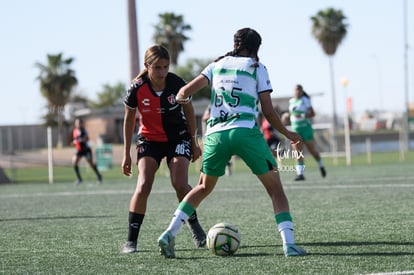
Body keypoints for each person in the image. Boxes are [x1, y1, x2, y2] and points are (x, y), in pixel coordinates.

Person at [157, 28, 306, 258]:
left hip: (215, 135)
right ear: (255, 47)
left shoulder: (216, 65)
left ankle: (169, 232)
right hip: (245, 132)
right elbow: (269, 112)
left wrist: (180, 104)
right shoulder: (257, 67)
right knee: (276, 190)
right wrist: (289, 133)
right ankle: (289, 244)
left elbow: (183, 92)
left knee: (202, 187)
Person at [121, 45, 206, 254]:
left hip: (177, 138)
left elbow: (189, 110)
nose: (162, 72)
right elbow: (129, 119)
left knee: (179, 183)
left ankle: (194, 226)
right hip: (149, 140)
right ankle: (131, 241)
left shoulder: (177, 84)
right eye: (157, 67)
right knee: (143, 185)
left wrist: (194, 143)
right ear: (146, 66)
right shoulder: (136, 88)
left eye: (165, 67)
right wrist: (126, 154)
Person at [288, 84, 326, 181]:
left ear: (301, 91)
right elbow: (291, 114)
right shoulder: (291, 101)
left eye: (299, 90)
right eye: (295, 90)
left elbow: (312, 114)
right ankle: (300, 174)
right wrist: (286, 116)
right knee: (297, 152)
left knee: (311, 150)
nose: (297, 92)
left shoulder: (305, 100)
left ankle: (320, 164)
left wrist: (302, 116)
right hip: (295, 130)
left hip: (305, 128)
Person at [202, 104, 233, 176]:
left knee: (225, 150)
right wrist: (214, 116)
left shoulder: (226, 104)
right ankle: (208, 170)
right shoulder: (211, 105)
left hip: (222, 130)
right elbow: (204, 118)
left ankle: (227, 165)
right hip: (212, 132)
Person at [72, 118, 102, 185]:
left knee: (91, 164)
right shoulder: (74, 131)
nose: (77, 124)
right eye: (76, 123)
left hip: (86, 149)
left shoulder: (83, 130)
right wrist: (74, 142)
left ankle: (99, 176)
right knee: (74, 162)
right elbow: (75, 140)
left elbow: (87, 139)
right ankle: (79, 179)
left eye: (79, 123)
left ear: (81, 123)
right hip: (79, 150)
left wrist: (81, 140)